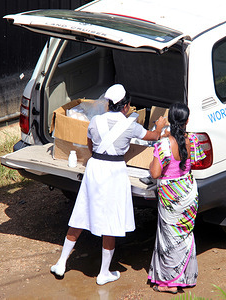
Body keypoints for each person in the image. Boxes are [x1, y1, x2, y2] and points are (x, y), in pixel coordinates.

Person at [50, 84, 167, 285]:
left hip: (95, 168)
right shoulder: (131, 126)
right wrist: (160, 124)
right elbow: (154, 137)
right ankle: (104, 273)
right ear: (126, 106)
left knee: (80, 213)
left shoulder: (95, 121)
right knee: (110, 221)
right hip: (115, 171)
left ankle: (61, 263)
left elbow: (89, 145)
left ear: (108, 104)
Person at [147, 102, 206, 294]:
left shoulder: (163, 145)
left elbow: (155, 173)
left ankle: (169, 283)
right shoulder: (194, 140)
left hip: (170, 196)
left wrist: (152, 161)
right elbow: (196, 161)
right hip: (188, 192)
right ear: (187, 121)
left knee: (169, 239)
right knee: (185, 236)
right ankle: (186, 277)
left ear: (169, 120)